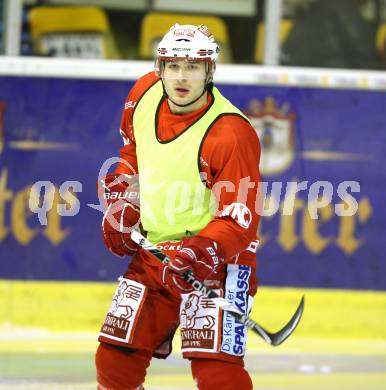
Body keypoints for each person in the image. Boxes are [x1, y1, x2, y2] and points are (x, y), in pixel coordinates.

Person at [95, 23, 261, 390]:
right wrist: (123, 198)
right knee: (114, 359)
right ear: (160, 67)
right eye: (173, 66)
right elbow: (133, 153)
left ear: (209, 72)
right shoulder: (143, 94)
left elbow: (240, 217)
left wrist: (203, 251)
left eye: (193, 67)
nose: (181, 77)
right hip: (156, 251)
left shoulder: (231, 132)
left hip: (220, 260)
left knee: (216, 372)